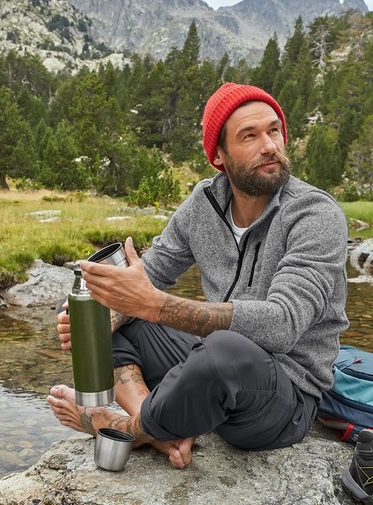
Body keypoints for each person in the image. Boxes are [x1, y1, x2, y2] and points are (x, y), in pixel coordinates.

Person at [47, 82, 349, 469]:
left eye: (274, 131)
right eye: (249, 136)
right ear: (219, 155)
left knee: (222, 352)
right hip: (212, 365)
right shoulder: (204, 203)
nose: (270, 145)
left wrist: (155, 306)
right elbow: (152, 272)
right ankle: (160, 426)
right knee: (98, 307)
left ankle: (125, 428)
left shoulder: (314, 214)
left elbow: (283, 325)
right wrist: (102, 314)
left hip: (284, 395)